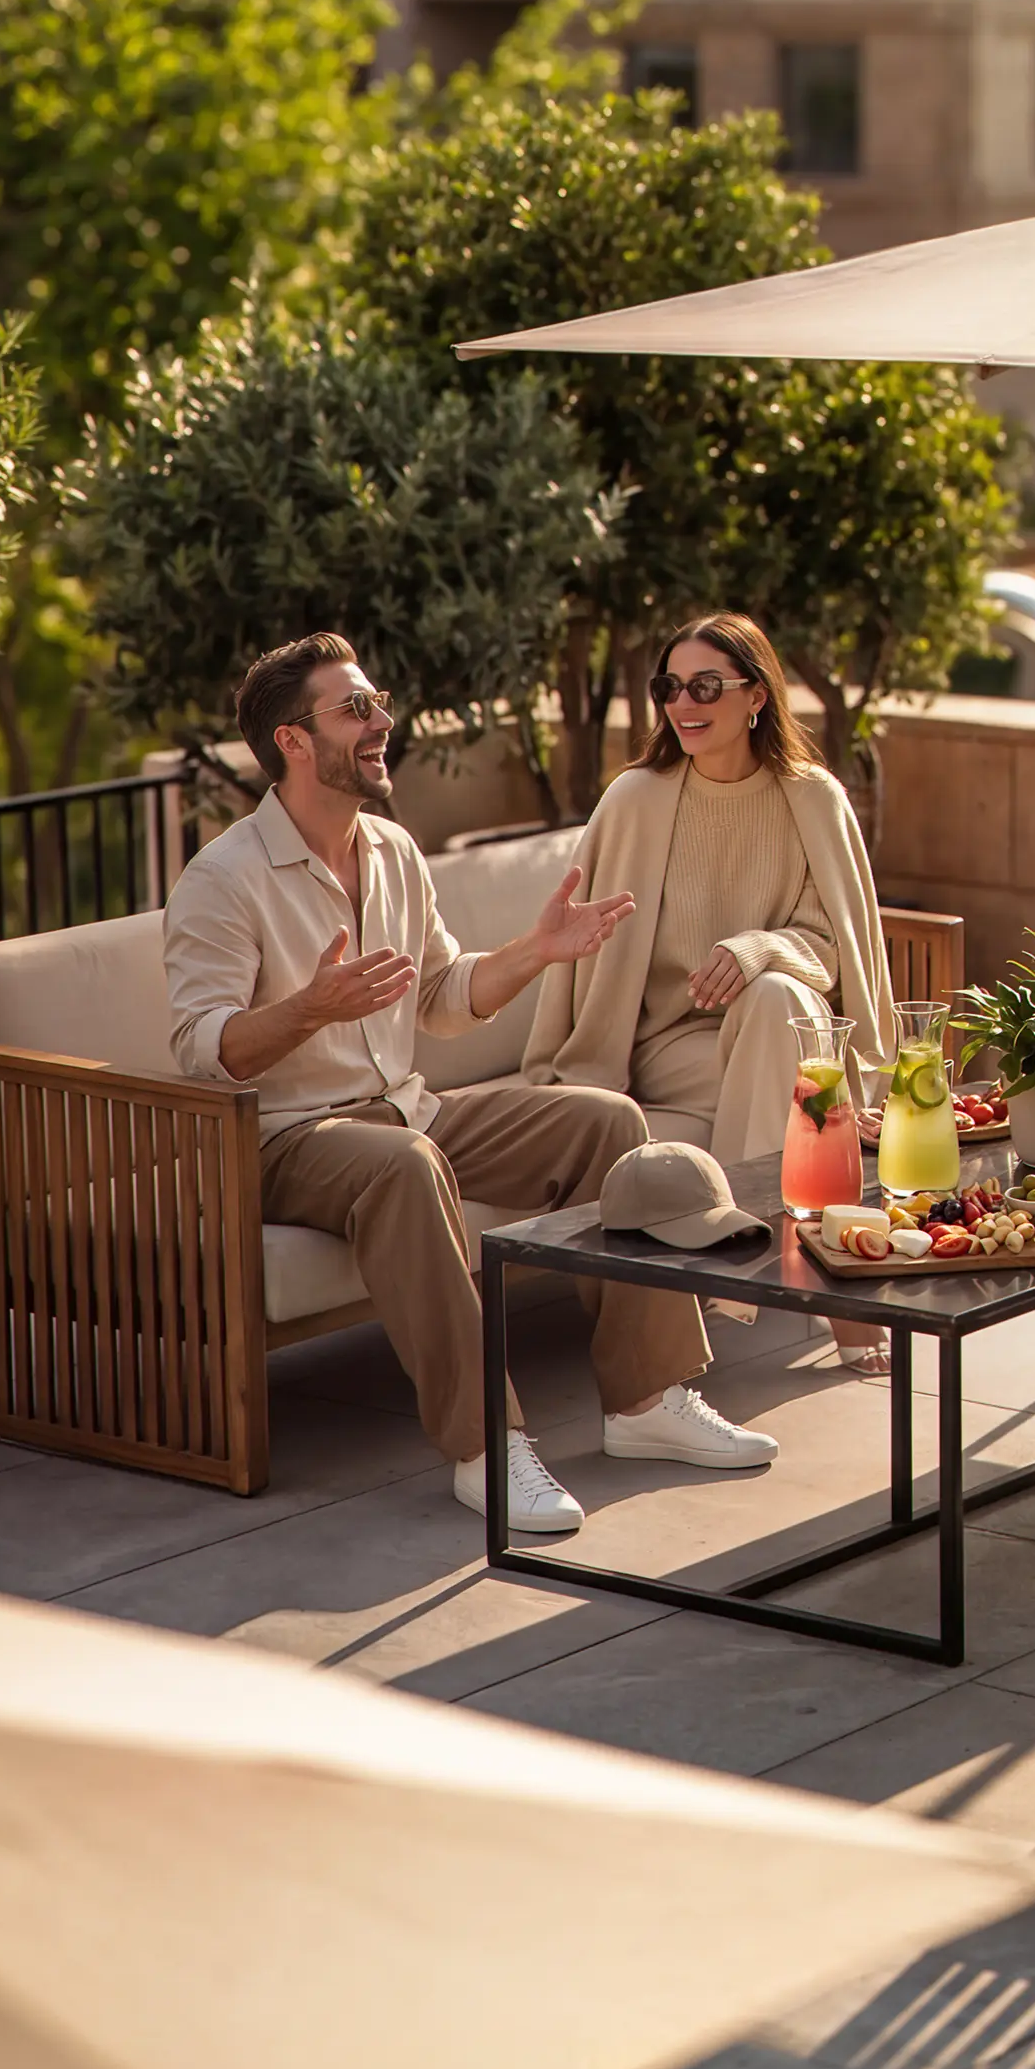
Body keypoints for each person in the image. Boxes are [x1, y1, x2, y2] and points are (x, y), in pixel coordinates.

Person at [163, 633, 777, 1539]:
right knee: (405, 1166)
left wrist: (540, 950)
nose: (382, 723)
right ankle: (487, 1448)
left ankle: (647, 1401)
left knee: (606, 1124)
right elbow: (201, 1051)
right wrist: (309, 1008)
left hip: (410, 1108)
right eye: (355, 710)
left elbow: (445, 999)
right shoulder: (225, 879)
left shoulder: (392, 852)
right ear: (292, 742)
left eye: (377, 704)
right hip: (283, 1138)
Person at [523, 611, 897, 1161]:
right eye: (668, 688)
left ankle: (748, 1216)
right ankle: (787, 1210)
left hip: (783, 1024)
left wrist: (760, 949)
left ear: (756, 697)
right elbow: (587, 968)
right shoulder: (635, 801)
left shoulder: (815, 800)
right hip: (670, 1046)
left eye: (705, 687)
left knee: (776, 997)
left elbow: (838, 948)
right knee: (798, 1079)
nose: (683, 704)